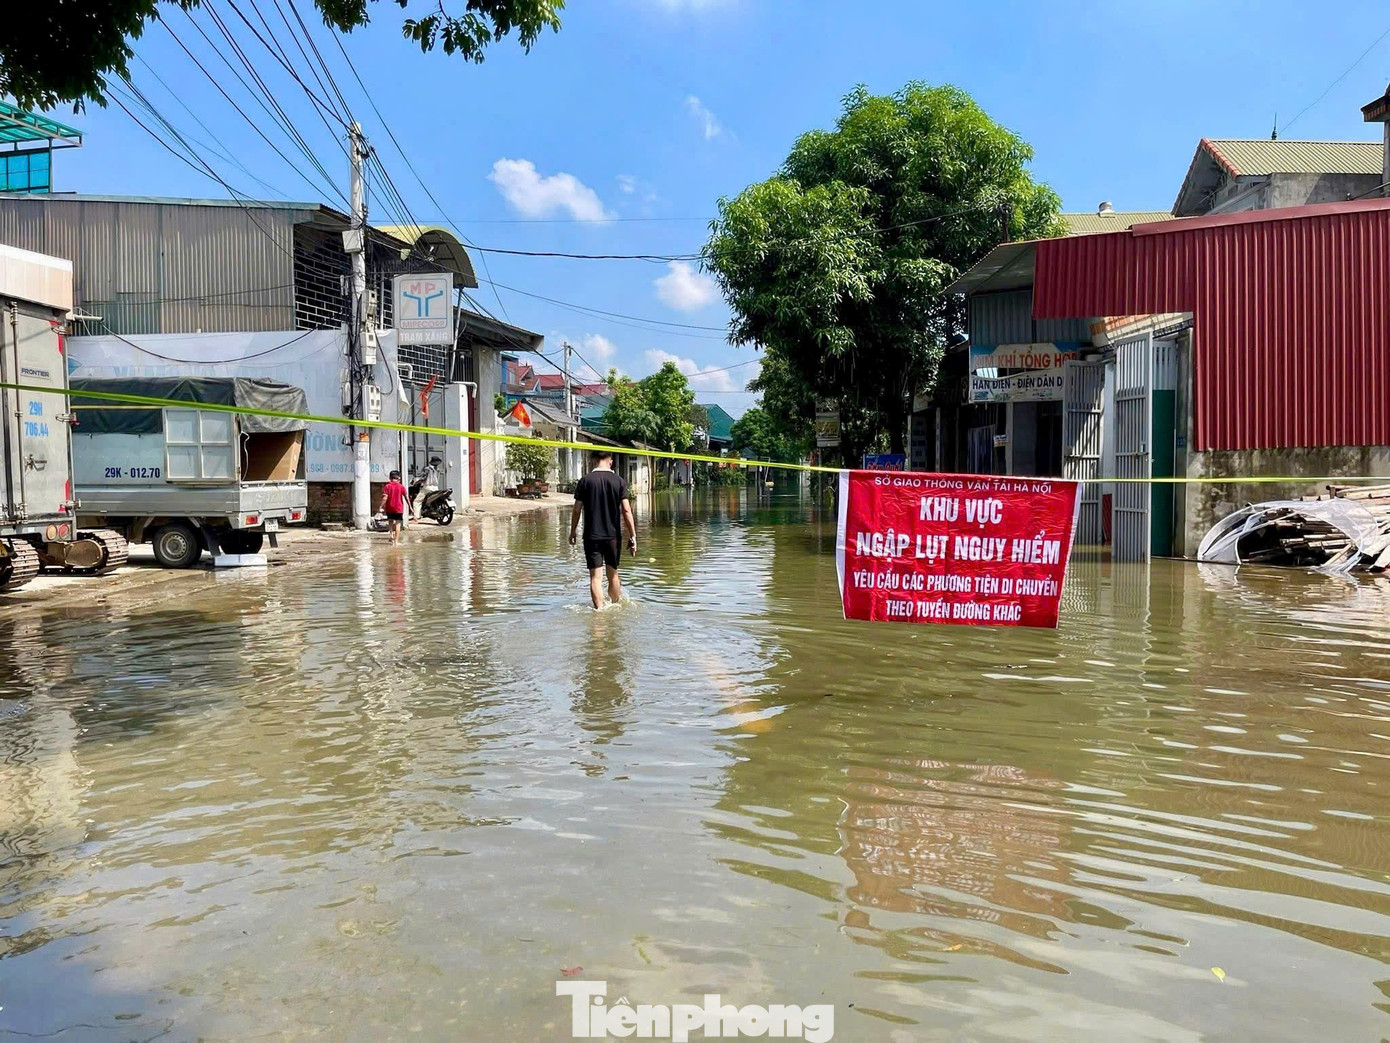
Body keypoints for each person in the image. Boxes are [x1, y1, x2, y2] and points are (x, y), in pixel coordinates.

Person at [569, 451, 638, 610]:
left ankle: (599, 612)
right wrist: (633, 535)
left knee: (595, 578)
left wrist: (573, 531)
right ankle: (615, 608)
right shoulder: (619, 481)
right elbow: (626, 511)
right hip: (613, 536)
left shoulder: (585, 481)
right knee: (613, 573)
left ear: (593, 461)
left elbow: (577, 510)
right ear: (611, 461)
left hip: (591, 536)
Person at [379, 470, 409, 546]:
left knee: (390, 521)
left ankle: (391, 535)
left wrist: (381, 506)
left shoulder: (387, 486)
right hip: (398, 508)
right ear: (398, 478)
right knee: (398, 524)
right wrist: (410, 507)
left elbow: (385, 497)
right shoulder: (401, 486)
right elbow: (406, 497)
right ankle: (396, 542)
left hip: (389, 508)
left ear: (390, 478)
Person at [412, 455, 443, 523]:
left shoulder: (427, 469)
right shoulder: (438, 470)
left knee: (417, 501)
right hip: (435, 488)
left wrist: (415, 481)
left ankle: (416, 517)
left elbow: (422, 478)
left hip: (427, 487)